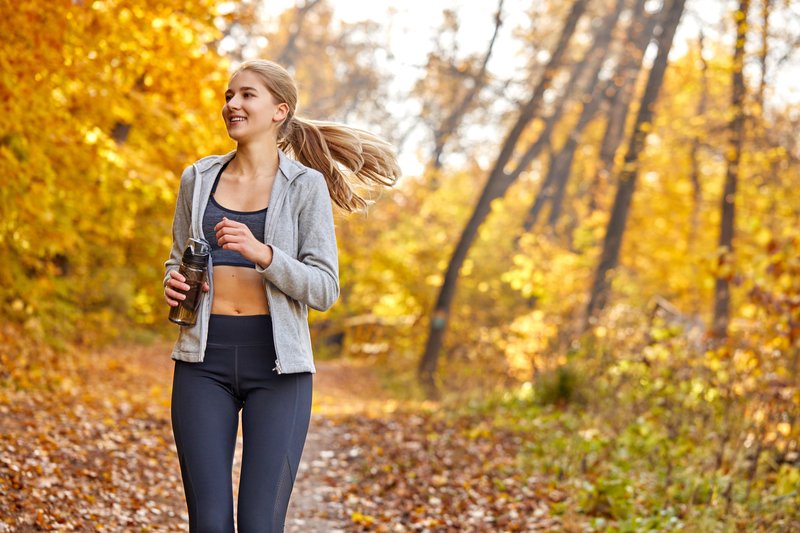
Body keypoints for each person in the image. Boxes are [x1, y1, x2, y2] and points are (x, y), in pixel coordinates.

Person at [162, 59, 400, 532]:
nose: (232, 104)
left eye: (247, 95)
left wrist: (264, 254)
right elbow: (176, 256)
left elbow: (325, 288)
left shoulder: (304, 186)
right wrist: (173, 281)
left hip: (278, 368)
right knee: (208, 524)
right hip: (201, 361)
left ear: (279, 110)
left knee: (259, 524)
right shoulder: (198, 178)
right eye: (229, 95)